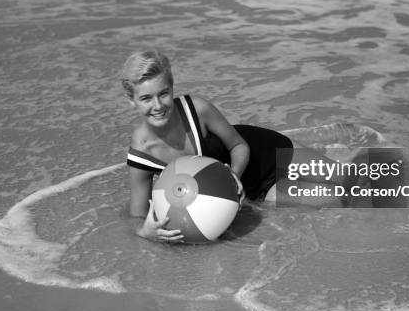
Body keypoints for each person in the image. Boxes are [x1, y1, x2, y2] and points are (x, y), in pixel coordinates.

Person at [122, 51, 355, 242]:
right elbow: (137, 215)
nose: (158, 105)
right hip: (254, 192)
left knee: (354, 180)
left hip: (267, 152)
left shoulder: (197, 109)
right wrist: (146, 232)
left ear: (172, 89)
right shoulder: (142, 152)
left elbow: (238, 145)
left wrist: (233, 176)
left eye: (163, 94)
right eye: (145, 98)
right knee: (339, 199)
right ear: (131, 100)